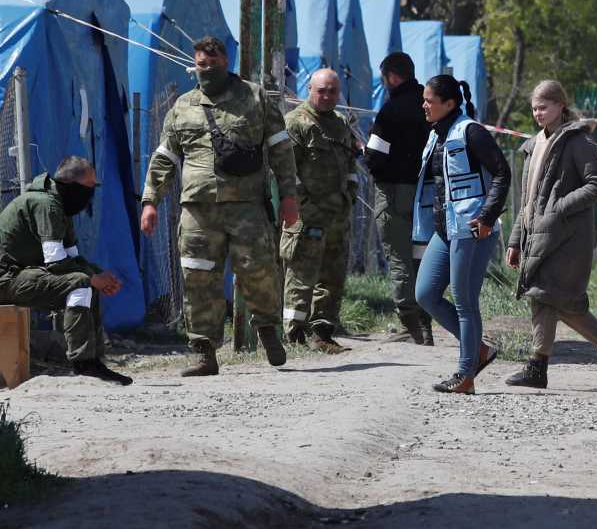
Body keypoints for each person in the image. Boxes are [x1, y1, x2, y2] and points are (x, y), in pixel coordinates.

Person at [141, 36, 299, 377]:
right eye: (202, 64)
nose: (207, 69)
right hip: (198, 209)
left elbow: (281, 149)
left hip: (247, 206)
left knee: (258, 271)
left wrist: (289, 196)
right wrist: (150, 200)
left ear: (227, 62)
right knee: (198, 278)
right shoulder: (182, 106)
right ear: (194, 64)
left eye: (214, 64)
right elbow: (165, 157)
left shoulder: (254, 97)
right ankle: (204, 352)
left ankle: (268, 330)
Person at [504, 81, 597, 390]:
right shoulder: (534, 144)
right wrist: (514, 239)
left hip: (567, 237)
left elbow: (595, 185)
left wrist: (559, 208)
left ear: (561, 106)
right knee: (554, 300)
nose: (538, 113)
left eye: (544, 107)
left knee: (549, 297)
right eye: (534, 108)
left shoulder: (577, 141)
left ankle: (539, 366)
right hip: (539, 234)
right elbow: (528, 199)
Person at [413, 76, 511, 394]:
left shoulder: (471, 131)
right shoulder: (436, 134)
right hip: (446, 229)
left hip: (472, 228)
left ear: (449, 103)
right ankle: (479, 350)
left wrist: (486, 217)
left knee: (464, 303)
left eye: (430, 100)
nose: (424, 105)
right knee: (425, 293)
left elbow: (502, 172)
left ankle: (466, 374)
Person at [0, 157, 131, 385]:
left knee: (89, 275)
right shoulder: (46, 204)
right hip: (6, 279)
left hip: (22, 274)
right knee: (81, 281)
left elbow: (73, 257)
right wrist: (92, 278)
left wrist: (101, 278)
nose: (90, 195)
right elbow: (57, 262)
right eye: (89, 188)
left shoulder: (60, 206)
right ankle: (82, 362)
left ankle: (94, 360)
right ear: (71, 184)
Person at [281, 69, 359, 354]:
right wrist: (305, 204)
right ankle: (294, 336)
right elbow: (287, 172)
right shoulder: (295, 123)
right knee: (301, 276)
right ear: (309, 89)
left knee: (332, 276)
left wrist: (350, 195)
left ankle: (322, 333)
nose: (327, 96)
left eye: (332, 91)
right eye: (321, 90)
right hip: (308, 217)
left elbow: (350, 166)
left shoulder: (340, 123)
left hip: (337, 216)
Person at [365, 51, 433, 344]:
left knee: (399, 258)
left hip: (394, 193)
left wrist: (368, 157)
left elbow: (375, 156)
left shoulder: (390, 111)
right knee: (422, 258)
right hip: (428, 194)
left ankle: (410, 324)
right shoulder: (431, 105)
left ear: (392, 77)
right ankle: (427, 322)